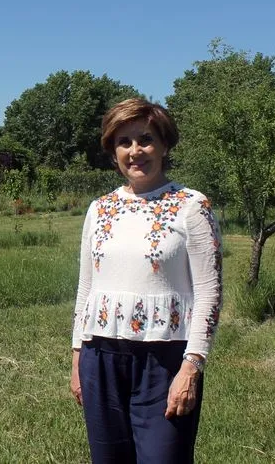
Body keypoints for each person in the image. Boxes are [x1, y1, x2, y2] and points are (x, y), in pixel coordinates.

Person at [70, 98, 222, 463]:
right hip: (100, 357)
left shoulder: (192, 206)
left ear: (164, 145)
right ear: (113, 151)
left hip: (165, 362)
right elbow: (86, 287)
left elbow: (209, 293)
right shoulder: (100, 208)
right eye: (124, 142)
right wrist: (77, 358)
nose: (135, 151)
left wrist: (192, 367)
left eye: (145, 139)